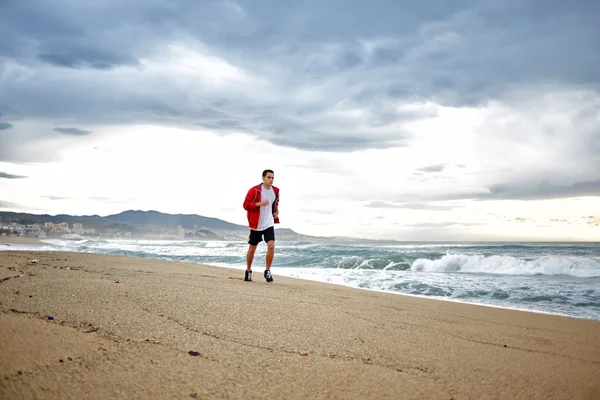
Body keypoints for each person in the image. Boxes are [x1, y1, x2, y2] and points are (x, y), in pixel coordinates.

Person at [242, 169, 280, 282]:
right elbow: (246, 205)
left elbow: (276, 202)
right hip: (256, 224)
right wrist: (260, 204)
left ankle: (267, 271)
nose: (271, 180)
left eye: (272, 178)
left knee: (271, 246)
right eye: (269, 177)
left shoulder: (276, 191)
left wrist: (276, 211)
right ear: (263, 178)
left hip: (269, 223)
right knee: (252, 248)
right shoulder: (255, 190)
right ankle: (248, 270)